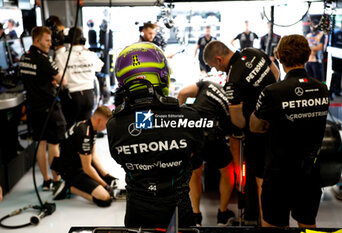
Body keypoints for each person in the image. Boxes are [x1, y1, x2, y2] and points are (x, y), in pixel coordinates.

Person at [107, 42, 204, 227]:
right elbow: (196, 158)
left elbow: (120, 158)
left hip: (136, 213)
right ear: (162, 76)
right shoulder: (188, 117)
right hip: (177, 213)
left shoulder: (114, 125)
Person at [250, 34, 329, 228]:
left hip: (279, 174)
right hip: (310, 173)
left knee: (275, 226)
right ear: (307, 54)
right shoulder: (322, 89)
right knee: (308, 226)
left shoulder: (272, 91)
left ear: (279, 56)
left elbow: (255, 126)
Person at [203, 40, 279, 225]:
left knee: (260, 179)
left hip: (258, 132)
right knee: (276, 173)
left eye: (215, 66)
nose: (218, 70)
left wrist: (249, 127)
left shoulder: (232, 81)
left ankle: (264, 222)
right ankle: (278, 219)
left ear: (219, 59)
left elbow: (237, 119)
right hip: (278, 121)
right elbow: (276, 73)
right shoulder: (254, 52)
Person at [178, 80, 238, 226]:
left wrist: (178, 116)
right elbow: (233, 138)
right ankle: (222, 215)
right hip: (212, 135)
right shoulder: (230, 102)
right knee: (227, 171)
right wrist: (237, 171)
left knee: (195, 172)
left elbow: (182, 93)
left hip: (193, 130)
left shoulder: (207, 84)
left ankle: (196, 216)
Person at [19, 26, 67, 191]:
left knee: (41, 144)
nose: (50, 43)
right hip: (49, 108)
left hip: (33, 107)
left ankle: (46, 181)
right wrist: (54, 80)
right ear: (36, 40)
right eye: (47, 40)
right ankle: (57, 178)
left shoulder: (24, 57)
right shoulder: (43, 59)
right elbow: (63, 80)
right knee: (54, 145)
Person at [51, 106, 116, 206]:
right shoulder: (84, 134)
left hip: (78, 164)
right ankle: (69, 187)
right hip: (71, 171)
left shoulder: (89, 126)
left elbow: (92, 156)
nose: (106, 127)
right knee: (105, 199)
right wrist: (105, 185)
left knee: (107, 181)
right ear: (99, 120)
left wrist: (106, 175)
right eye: (106, 124)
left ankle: (76, 185)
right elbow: (87, 168)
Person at [55, 27, 104, 128]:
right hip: (89, 97)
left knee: (69, 129)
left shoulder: (61, 57)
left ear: (67, 40)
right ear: (83, 40)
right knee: (84, 128)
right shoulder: (91, 55)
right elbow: (99, 67)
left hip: (72, 97)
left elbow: (59, 78)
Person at [329, 21, 342, 97]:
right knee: (335, 74)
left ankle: (337, 90)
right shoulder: (336, 34)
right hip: (336, 58)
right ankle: (331, 91)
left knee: (339, 75)